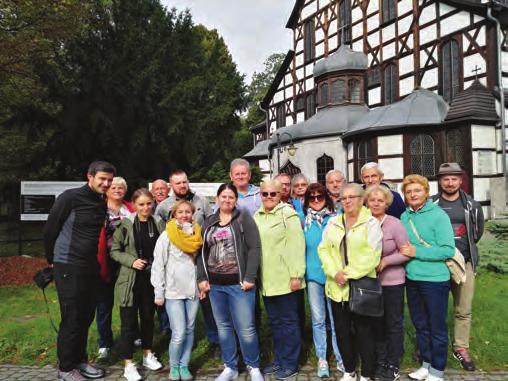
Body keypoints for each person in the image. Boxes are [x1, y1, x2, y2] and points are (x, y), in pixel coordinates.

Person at [44, 160, 116, 381]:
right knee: (72, 317)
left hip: (89, 266)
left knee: (86, 316)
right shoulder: (70, 197)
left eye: (109, 180)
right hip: (67, 265)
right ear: (90, 177)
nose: (105, 184)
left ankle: (80, 360)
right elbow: (50, 229)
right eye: (102, 179)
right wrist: (52, 262)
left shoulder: (101, 201)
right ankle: (66, 367)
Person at [197, 183, 263, 381]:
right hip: (216, 286)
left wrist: (250, 277)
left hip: (239, 284)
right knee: (224, 328)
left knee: (246, 328)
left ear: (236, 200)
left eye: (231, 197)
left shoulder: (244, 219)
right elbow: (201, 253)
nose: (227, 200)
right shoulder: (208, 222)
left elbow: (255, 248)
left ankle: (254, 366)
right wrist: (201, 278)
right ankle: (230, 366)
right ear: (217, 198)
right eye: (223, 196)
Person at [318, 183, 382, 381]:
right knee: (343, 332)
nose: (346, 201)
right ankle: (349, 370)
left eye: (351, 197)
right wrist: (334, 272)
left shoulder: (371, 223)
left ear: (362, 199)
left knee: (364, 332)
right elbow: (324, 250)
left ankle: (367, 374)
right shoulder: (334, 222)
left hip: (361, 287)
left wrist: (347, 274)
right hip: (337, 287)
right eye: (343, 198)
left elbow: (372, 255)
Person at [154, 170, 218, 354]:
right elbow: (160, 231)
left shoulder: (202, 201)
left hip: (200, 257)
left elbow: (210, 224)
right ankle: (172, 337)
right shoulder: (164, 206)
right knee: (174, 307)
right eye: (178, 183)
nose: (182, 185)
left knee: (207, 303)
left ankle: (213, 339)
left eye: (184, 182)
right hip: (175, 261)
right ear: (171, 185)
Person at [399, 175, 455, 381]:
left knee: (436, 326)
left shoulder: (438, 215)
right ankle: (426, 364)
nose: (413, 194)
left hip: (435, 281)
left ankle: (437, 370)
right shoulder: (404, 217)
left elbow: (447, 250)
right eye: (409, 191)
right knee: (420, 324)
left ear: (426, 192)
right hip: (412, 279)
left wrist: (416, 252)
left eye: (417, 190)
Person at [431, 163, 484, 372]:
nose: (450, 182)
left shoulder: (472, 205)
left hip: (465, 263)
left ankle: (461, 348)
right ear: (440, 181)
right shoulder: (432, 204)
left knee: (463, 309)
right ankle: (432, 348)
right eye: (446, 178)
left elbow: (477, 232)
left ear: (460, 180)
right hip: (437, 264)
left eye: (454, 178)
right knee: (435, 310)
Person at [254, 179, 306, 380]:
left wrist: (296, 275)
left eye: (272, 194)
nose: (268, 197)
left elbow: (297, 245)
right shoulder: (256, 216)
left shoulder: (288, 215)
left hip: (286, 280)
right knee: (275, 323)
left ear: (280, 194)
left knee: (289, 322)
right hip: (267, 281)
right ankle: (279, 359)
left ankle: (290, 363)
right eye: (265, 194)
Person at [111, 189, 165, 381]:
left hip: (151, 280)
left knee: (149, 319)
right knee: (128, 324)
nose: (145, 208)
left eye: (149, 204)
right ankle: (128, 364)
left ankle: (147, 354)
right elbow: (114, 251)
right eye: (141, 204)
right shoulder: (125, 225)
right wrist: (131, 261)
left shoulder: (158, 222)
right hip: (130, 281)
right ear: (134, 205)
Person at [151, 200, 204, 381]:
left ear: (192, 214)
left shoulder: (197, 234)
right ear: (174, 215)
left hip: (192, 291)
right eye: (180, 212)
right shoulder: (167, 236)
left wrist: (202, 284)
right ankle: (174, 367)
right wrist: (159, 291)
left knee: (190, 330)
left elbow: (200, 263)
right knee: (179, 332)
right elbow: (158, 265)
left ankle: (184, 365)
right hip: (173, 291)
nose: (184, 215)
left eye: (187, 212)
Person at [365, 185, 410, 381]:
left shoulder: (394, 224)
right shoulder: (363, 222)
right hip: (370, 283)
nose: (376, 203)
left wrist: (385, 261)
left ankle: (393, 363)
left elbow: (406, 252)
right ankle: (380, 361)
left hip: (393, 281)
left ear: (387, 203)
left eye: (380, 200)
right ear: (366, 202)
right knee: (376, 324)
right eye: (372, 199)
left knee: (393, 323)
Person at [302, 183, 344, 377]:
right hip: (313, 277)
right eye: (312, 197)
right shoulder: (304, 221)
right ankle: (322, 358)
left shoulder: (336, 219)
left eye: (320, 197)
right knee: (318, 319)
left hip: (334, 275)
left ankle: (341, 356)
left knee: (336, 319)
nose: (316, 200)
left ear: (327, 198)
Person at [96, 176, 135, 360]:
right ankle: (104, 343)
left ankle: (133, 335)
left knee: (129, 301)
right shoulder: (98, 208)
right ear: (107, 190)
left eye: (121, 187)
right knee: (104, 303)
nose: (117, 190)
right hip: (104, 261)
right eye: (114, 187)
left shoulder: (131, 209)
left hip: (126, 262)